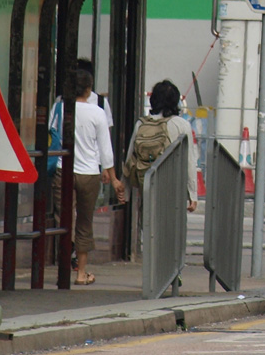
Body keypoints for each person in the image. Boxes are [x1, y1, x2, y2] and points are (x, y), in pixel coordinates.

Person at [55, 69, 125, 285]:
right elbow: (106, 150)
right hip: (89, 173)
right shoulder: (97, 112)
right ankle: (81, 273)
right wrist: (114, 178)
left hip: (63, 170)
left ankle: (64, 268)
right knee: (84, 222)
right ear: (88, 89)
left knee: (63, 220)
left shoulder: (60, 108)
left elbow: (52, 134)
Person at [124, 80, 198, 212]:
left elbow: (131, 158)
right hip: (172, 189)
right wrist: (192, 194)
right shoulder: (181, 125)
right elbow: (190, 161)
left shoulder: (141, 124)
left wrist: (125, 190)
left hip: (146, 186)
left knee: (147, 219)